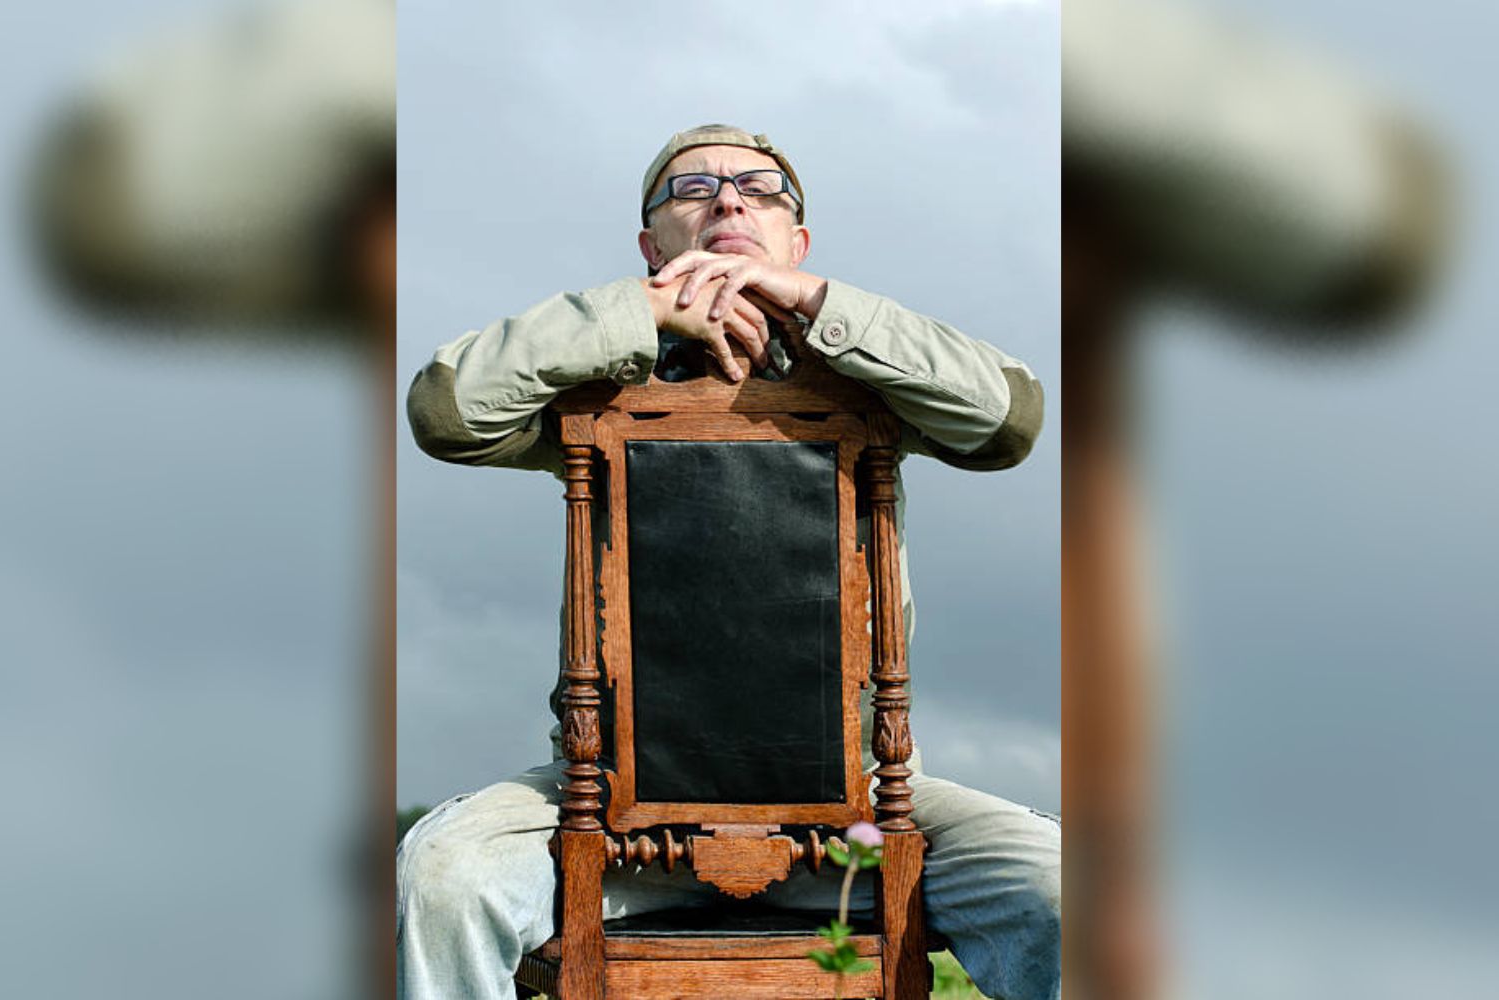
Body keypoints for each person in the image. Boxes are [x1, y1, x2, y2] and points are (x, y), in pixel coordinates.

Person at [398, 124, 1059, 1000]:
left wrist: (817, 303)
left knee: (1063, 890)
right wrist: (641, 314)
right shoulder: (594, 381)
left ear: (798, 238)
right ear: (650, 243)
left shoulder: (870, 379)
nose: (729, 199)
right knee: (442, 877)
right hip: (601, 808)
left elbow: (1007, 419)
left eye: (760, 188)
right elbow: (447, 411)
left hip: (861, 810)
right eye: (691, 188)